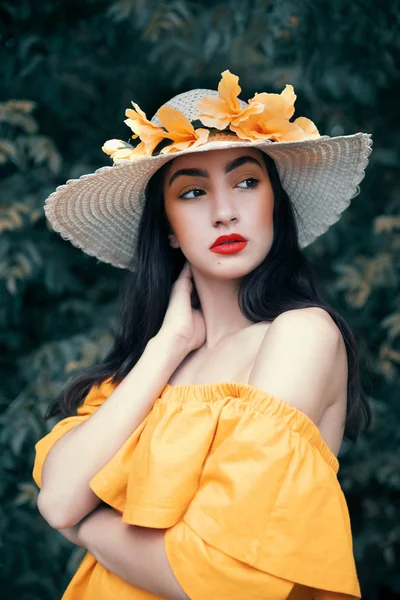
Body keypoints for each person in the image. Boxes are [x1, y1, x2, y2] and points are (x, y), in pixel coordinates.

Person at [32, 70, 373, 600]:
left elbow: (215, 579)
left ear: (274, 206)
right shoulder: (150, 371)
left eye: (246, 182)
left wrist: (86, 527)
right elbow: (56, 499)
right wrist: (166, 347)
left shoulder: (301, 335)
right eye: (192, 191)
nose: (223, 212)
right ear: (167, 226)